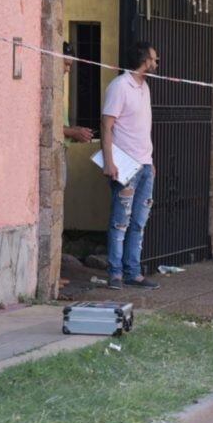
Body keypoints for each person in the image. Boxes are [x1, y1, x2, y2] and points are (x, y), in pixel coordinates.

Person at [100, 42, 160, 290]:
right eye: (154, 59)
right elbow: (107, 125)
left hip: (145, 165)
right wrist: (109, 161)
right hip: (125, 166)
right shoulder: (119, 87)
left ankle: (132, 271)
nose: (156, 64)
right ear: (144, 61)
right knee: (120, 221)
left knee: (139, 222)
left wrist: (151, 162)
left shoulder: (144, 87)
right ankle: (115, 273)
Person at [62, 42, 94, 144]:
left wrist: (75, 130)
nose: (68, 69)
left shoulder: (60, 84)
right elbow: (47, 125)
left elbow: (59, 125)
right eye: (66, 64)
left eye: (70, 65)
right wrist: (73, 132)